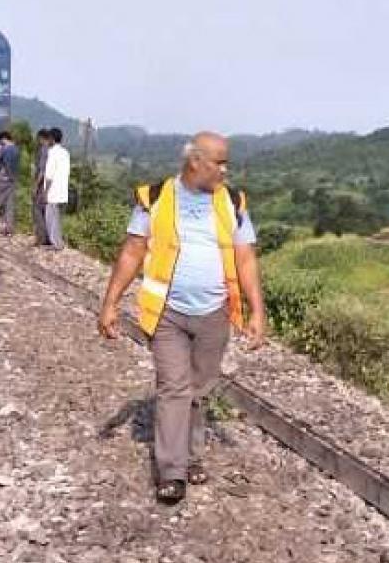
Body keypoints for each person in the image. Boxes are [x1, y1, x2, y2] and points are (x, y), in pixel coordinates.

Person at [97, 132, 267, 503]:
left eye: (226, 162)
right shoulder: (155, 199)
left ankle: (191, 456)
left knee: (200, 389)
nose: (225, 169)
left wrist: (258, 310)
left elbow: (246, 258)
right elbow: (132, 253)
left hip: (215, 314)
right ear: (195, 162)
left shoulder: (233, 203)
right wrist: (110, 302)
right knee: (174, 386)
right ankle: (171, 471)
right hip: (167, 313)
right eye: (219, 162)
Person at [42, 127, 70, 249]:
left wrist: (45, 192)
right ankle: (58, 242)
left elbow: (49, 175)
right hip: (62, 190)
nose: (47, 141)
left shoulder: (52, 152)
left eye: (48, 138)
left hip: (53, 191)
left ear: (52, 139)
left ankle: (55, 243)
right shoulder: (65, 152)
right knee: (57, 219)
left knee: (50, 218)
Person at [0, 131, 20, 236]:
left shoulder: (4, 149)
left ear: (4, 138)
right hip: (13, 181)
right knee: (9, 206)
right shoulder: (17, 149)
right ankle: (9, 230)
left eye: (0, 141)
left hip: (3, 180)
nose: (0, 143)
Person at [32, 129, 51, 246]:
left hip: (42, 185)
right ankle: (48, 237)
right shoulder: (53, 150)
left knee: (37, 210)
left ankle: (41, 238)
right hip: (51, 186)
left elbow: (42, 171)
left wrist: (35, 186)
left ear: (41, 138)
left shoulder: (44, 150)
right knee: (47, 212)